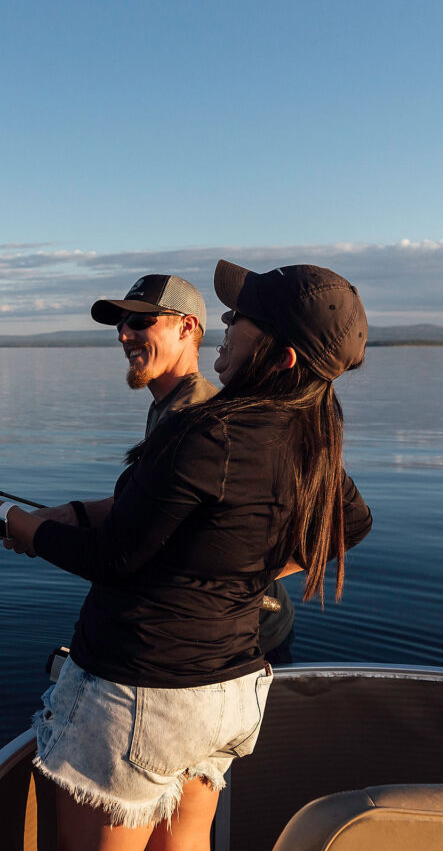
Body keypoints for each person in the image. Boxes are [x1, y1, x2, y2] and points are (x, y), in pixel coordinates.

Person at [0, 261, 374, 851]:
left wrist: (4, 521)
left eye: (241, 318)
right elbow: (347, 523)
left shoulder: (212, 433)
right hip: (229, 693)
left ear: (277, 353)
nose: (229, 325)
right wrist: (237, 578)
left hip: (142, 698)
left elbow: (115, 558)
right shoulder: (310, 435)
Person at [48, 273, 303, 665]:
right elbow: (155, 505)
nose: (124, 335)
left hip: (250, 636)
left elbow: (330, 524)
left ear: (187, 327)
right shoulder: (169, 407)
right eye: (120, 324)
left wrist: (241, 583)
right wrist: (69, 515)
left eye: (140, 321)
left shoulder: (197, 420)